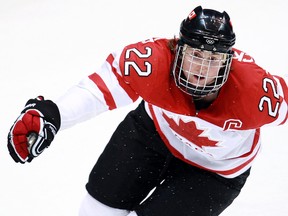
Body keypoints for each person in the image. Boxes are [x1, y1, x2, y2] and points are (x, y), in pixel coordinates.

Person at [7, 5, 288, 216]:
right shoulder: (152, 62)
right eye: (196, 54)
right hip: (152, 136)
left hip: (215, 172)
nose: (202, 68)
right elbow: (98, 91)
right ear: (178, 49)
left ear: (229, 60)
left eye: (213, 58)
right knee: (97, 210)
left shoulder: (255, 91)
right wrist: (52, 114)